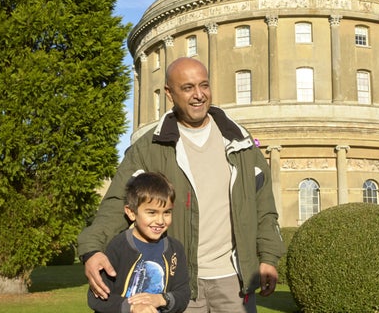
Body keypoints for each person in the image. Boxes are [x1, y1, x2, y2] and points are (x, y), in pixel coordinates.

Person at [78, 57, 286, 313]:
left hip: (234, 281)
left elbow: (264, 207)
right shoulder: (149, 147)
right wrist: (92, 250)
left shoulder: (240, 141)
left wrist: (268, 258)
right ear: (169, 93)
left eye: (204, 85)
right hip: (178, 282)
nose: (199, 95)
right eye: (188, 88)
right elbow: (116, 204)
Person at [88, 172, 190, 313]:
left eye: (166, 212)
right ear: (131, 212)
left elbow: (183, 293)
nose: (160, 221)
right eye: (152, 212)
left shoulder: (175, 249)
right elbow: (97, 298)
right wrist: (132, 307)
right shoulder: (117, 247)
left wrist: (161, 299)